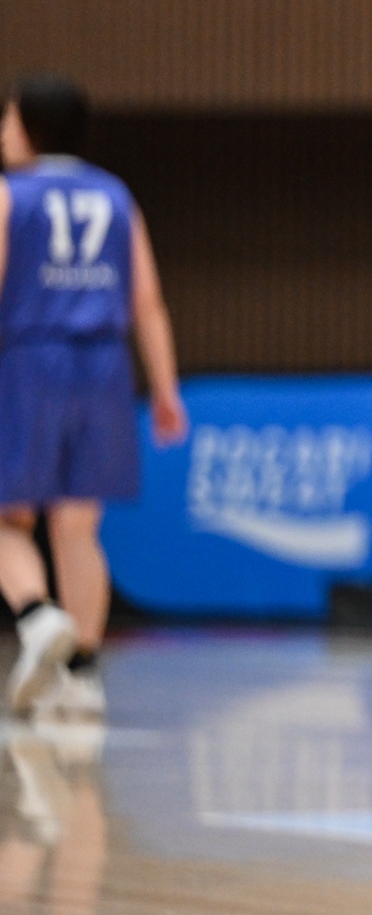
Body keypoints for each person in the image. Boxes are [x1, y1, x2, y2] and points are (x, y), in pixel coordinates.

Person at [1, 76, 188, 722]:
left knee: (9, 518)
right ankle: (82, 674)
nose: (2, 131)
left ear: (32, 127)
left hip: (31, 359)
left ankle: (37, 615)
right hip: (104, 365)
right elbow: (148, 302)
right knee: (79, 527)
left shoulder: (10, 193)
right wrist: (165, 388)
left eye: (8, 119)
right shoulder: (115, 194)